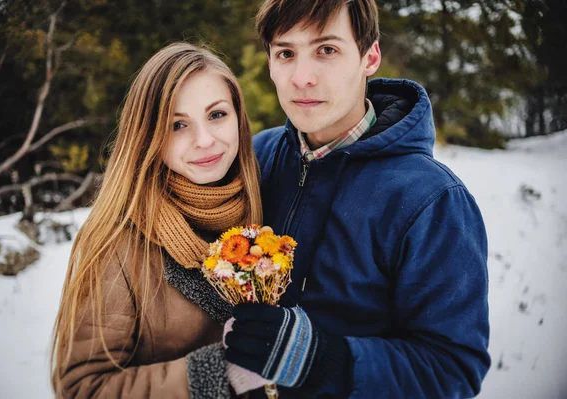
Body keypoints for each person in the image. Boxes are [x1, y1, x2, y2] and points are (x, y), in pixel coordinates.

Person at [223, 1, 491, 398]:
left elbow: (453, 371)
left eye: (327, 50)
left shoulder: (430, 200)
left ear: (370, 57)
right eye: (285, 53)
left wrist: (325, 360)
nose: (302, 77)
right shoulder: (255, 158)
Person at [51, 42, 263, 398]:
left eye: (217, 115)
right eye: (177, 124)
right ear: (148, 135)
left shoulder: (264, 202)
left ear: (239, 119)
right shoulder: (118, 240)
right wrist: (218, 373)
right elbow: (81, 387)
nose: (205, 140)